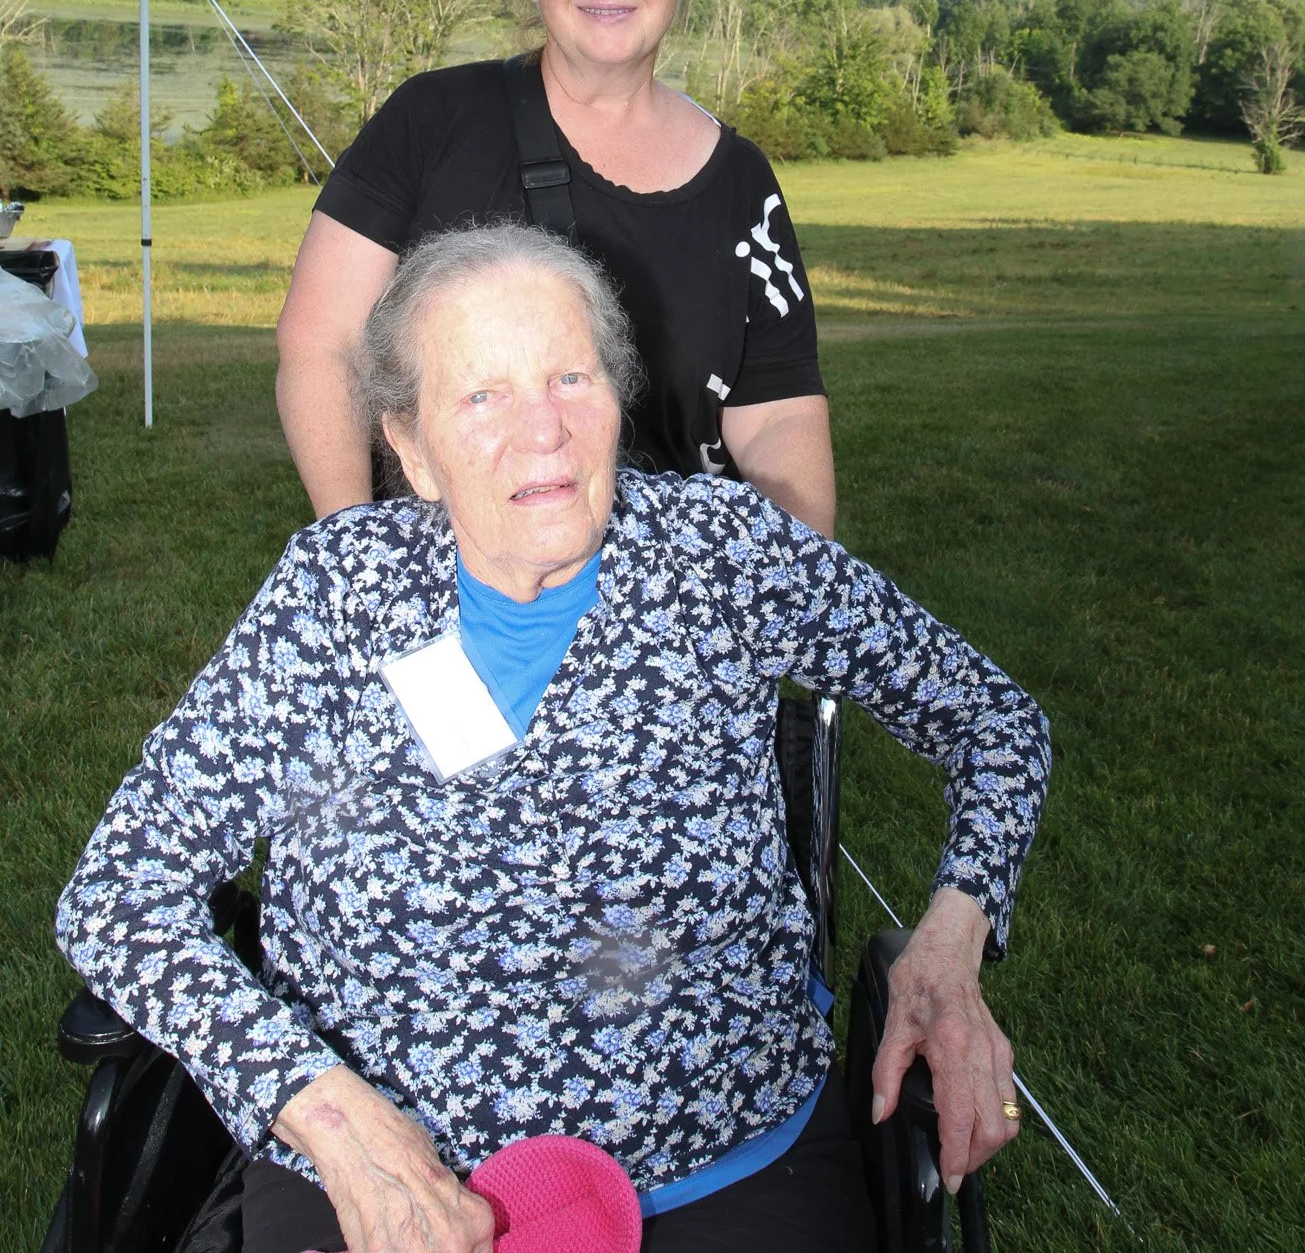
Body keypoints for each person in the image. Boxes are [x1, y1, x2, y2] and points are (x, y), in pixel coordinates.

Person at [59, 225, 1050, 1253]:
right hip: (382, 1181)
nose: (545, 432)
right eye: (481, 395)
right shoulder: (335, 590)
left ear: (619, 397)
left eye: (571, 376)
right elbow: (118, 894)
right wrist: (326, 1112)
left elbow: (996, 721)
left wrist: (951, 944)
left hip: (727, 1171)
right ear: (409, 445)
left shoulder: (726, 552)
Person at [276, 0, 835, 532]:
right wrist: (357, 556)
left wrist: (783, 602)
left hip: (666, 614)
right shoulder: (433, 121)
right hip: (453, 590)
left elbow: (777, 419)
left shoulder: (742, 185)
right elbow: (321, 343)